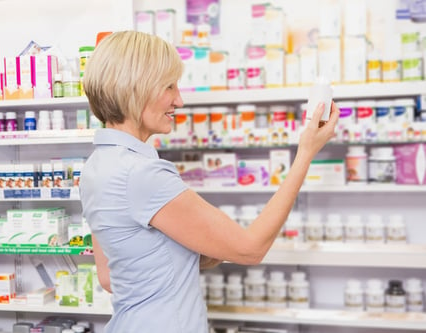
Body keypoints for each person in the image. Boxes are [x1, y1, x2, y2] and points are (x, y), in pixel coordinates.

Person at [80, 30, 339, 333]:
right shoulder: (142, 175)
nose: (180, 99)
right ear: (135, 89)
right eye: (169, 86)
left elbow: (110, 277)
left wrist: (201, 245)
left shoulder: (94, 167)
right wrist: (305, 152)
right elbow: (250, 249)